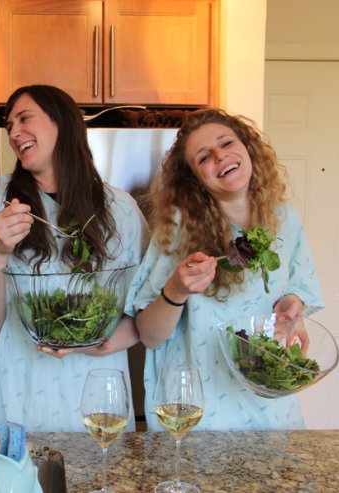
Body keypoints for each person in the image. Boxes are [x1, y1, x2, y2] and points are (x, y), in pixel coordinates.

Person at [0, 85, 149, 432]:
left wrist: (110, 340)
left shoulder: (120, 209)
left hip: (97, 398)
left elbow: (147, 310)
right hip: (15, 397)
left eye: (24, 118)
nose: (15, 133)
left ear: (62, 121)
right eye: (9, 127)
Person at [131, 108, 323, 431]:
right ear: (194, 178)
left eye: (227, 143)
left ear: (246, 147)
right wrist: (176, 290)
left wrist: (293, 306)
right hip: (197, 420)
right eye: (204, 157)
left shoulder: (283, 219)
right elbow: (148, 335)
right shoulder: (178, 230)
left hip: (272, 415)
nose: (220, 156)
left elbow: (298, 291)